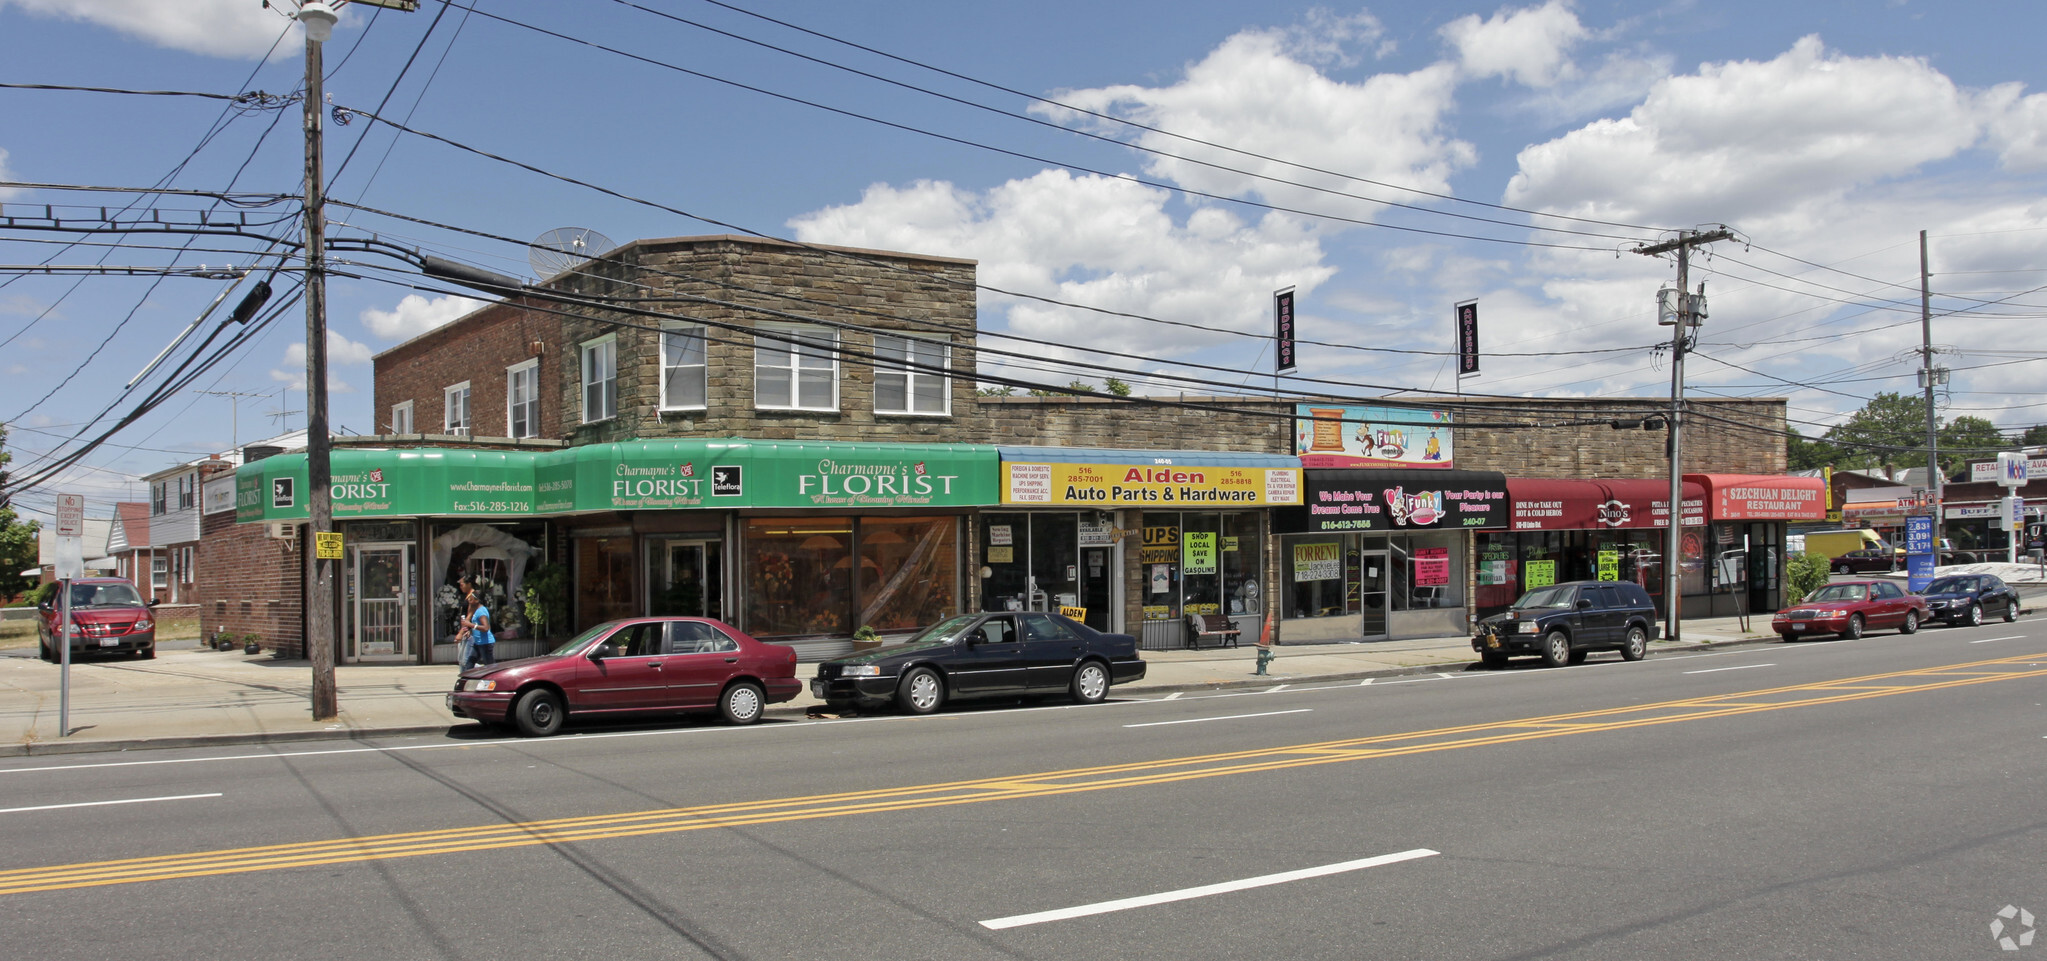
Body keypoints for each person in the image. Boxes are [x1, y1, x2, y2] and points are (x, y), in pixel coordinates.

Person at [463, 590, 497, 671]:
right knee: (469, 664)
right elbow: (477, 625)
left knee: (490, 667)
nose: (469, 600)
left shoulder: (481, 611)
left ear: (477, 600)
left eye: (471, 598)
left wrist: (469, 624)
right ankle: (466, 680)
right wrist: (470, 631)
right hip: (478, 642)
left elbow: (485, 628)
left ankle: (496, 681)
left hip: (485, 643)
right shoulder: (476, 611)